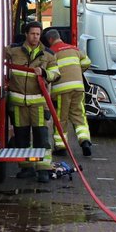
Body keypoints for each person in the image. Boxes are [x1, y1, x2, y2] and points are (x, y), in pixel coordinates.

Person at [4, 21, 53, 181]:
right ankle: (26, 168)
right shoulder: (13, 50)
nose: (35, 37)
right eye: (32, 33)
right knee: (21, 137)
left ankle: (43, 169)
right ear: (26, 34)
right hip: (18, 104)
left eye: (38, 34)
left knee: (41, 137)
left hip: (38, 104)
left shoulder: (47, 54)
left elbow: (56, 73)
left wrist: (44, 73)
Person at [43, 29, 94, 157]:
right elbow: (87, 62)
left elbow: (48, 72)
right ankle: (85, 141)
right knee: (79, 115)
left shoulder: (51, 52)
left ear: (50, 40)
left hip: (62, 90)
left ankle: (61, 147)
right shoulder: (74, 49)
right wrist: (77, 70)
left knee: (61, 118)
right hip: (78, 87)